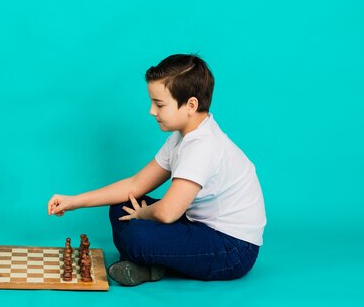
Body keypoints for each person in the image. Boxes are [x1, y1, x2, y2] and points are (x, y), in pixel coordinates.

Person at [47, 54, 266, 286]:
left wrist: (142, 214)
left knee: (137, 233)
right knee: (122, 207)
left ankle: (147, 263)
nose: (152, 111)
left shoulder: (204, 145)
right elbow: (135, 185)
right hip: (199, 226)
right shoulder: (181, 138)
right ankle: (150, 265)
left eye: (160, 104)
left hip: (233, 250)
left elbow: (168, 212)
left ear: (191, 105)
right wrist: (73, 201)